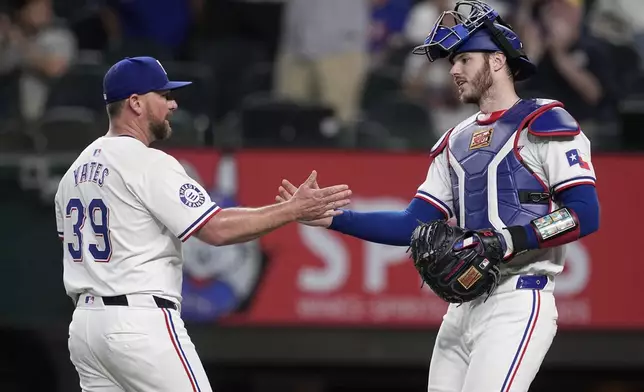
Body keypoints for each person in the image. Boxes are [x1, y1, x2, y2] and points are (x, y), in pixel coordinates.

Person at [276, 1, 601, 391]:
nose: (453, 70)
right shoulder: (455, 140)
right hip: (461, 307)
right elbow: (412, 223)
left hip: (518, 299)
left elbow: (584, 213)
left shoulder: (545, 121)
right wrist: (332, 218)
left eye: (464, 58)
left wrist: (505, 240)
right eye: (453, 61)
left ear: (497, 61)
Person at [54, 56, 352, 392]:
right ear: (135, 103)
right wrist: (292, 210)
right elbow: (216, 228)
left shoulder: (74, 172)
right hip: (138, 322)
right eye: (163, 95)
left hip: (85, 327)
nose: (173, 103)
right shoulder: (147, 162)